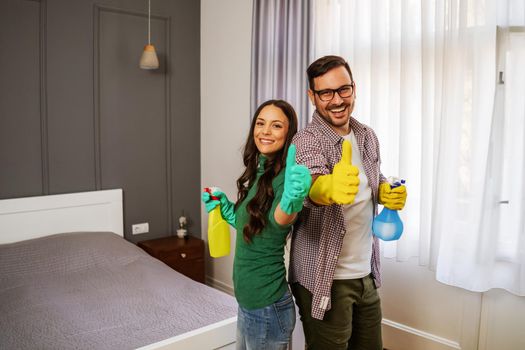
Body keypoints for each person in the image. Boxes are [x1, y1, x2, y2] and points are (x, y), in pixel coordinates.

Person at [289, 55, 407, 349]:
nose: (337, 100)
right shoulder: (306, 140)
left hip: (365, 271)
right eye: (326, 93)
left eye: (343, 89)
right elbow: (309, 186)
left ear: (354, 88)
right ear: (312, 97)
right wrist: (326, 187)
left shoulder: (367, 135)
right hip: (324, 275)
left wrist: (385, 191)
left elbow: (373, 179)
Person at [202, 99, 312, 350]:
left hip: (267, 307)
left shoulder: (286, 176)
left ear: (288, 133)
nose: (265, 131)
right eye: (260, 123)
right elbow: (251, 225)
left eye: (276, 126)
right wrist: (225, 205)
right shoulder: (260, 170)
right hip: (250, 303)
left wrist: (293, 200)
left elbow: (279, 220)